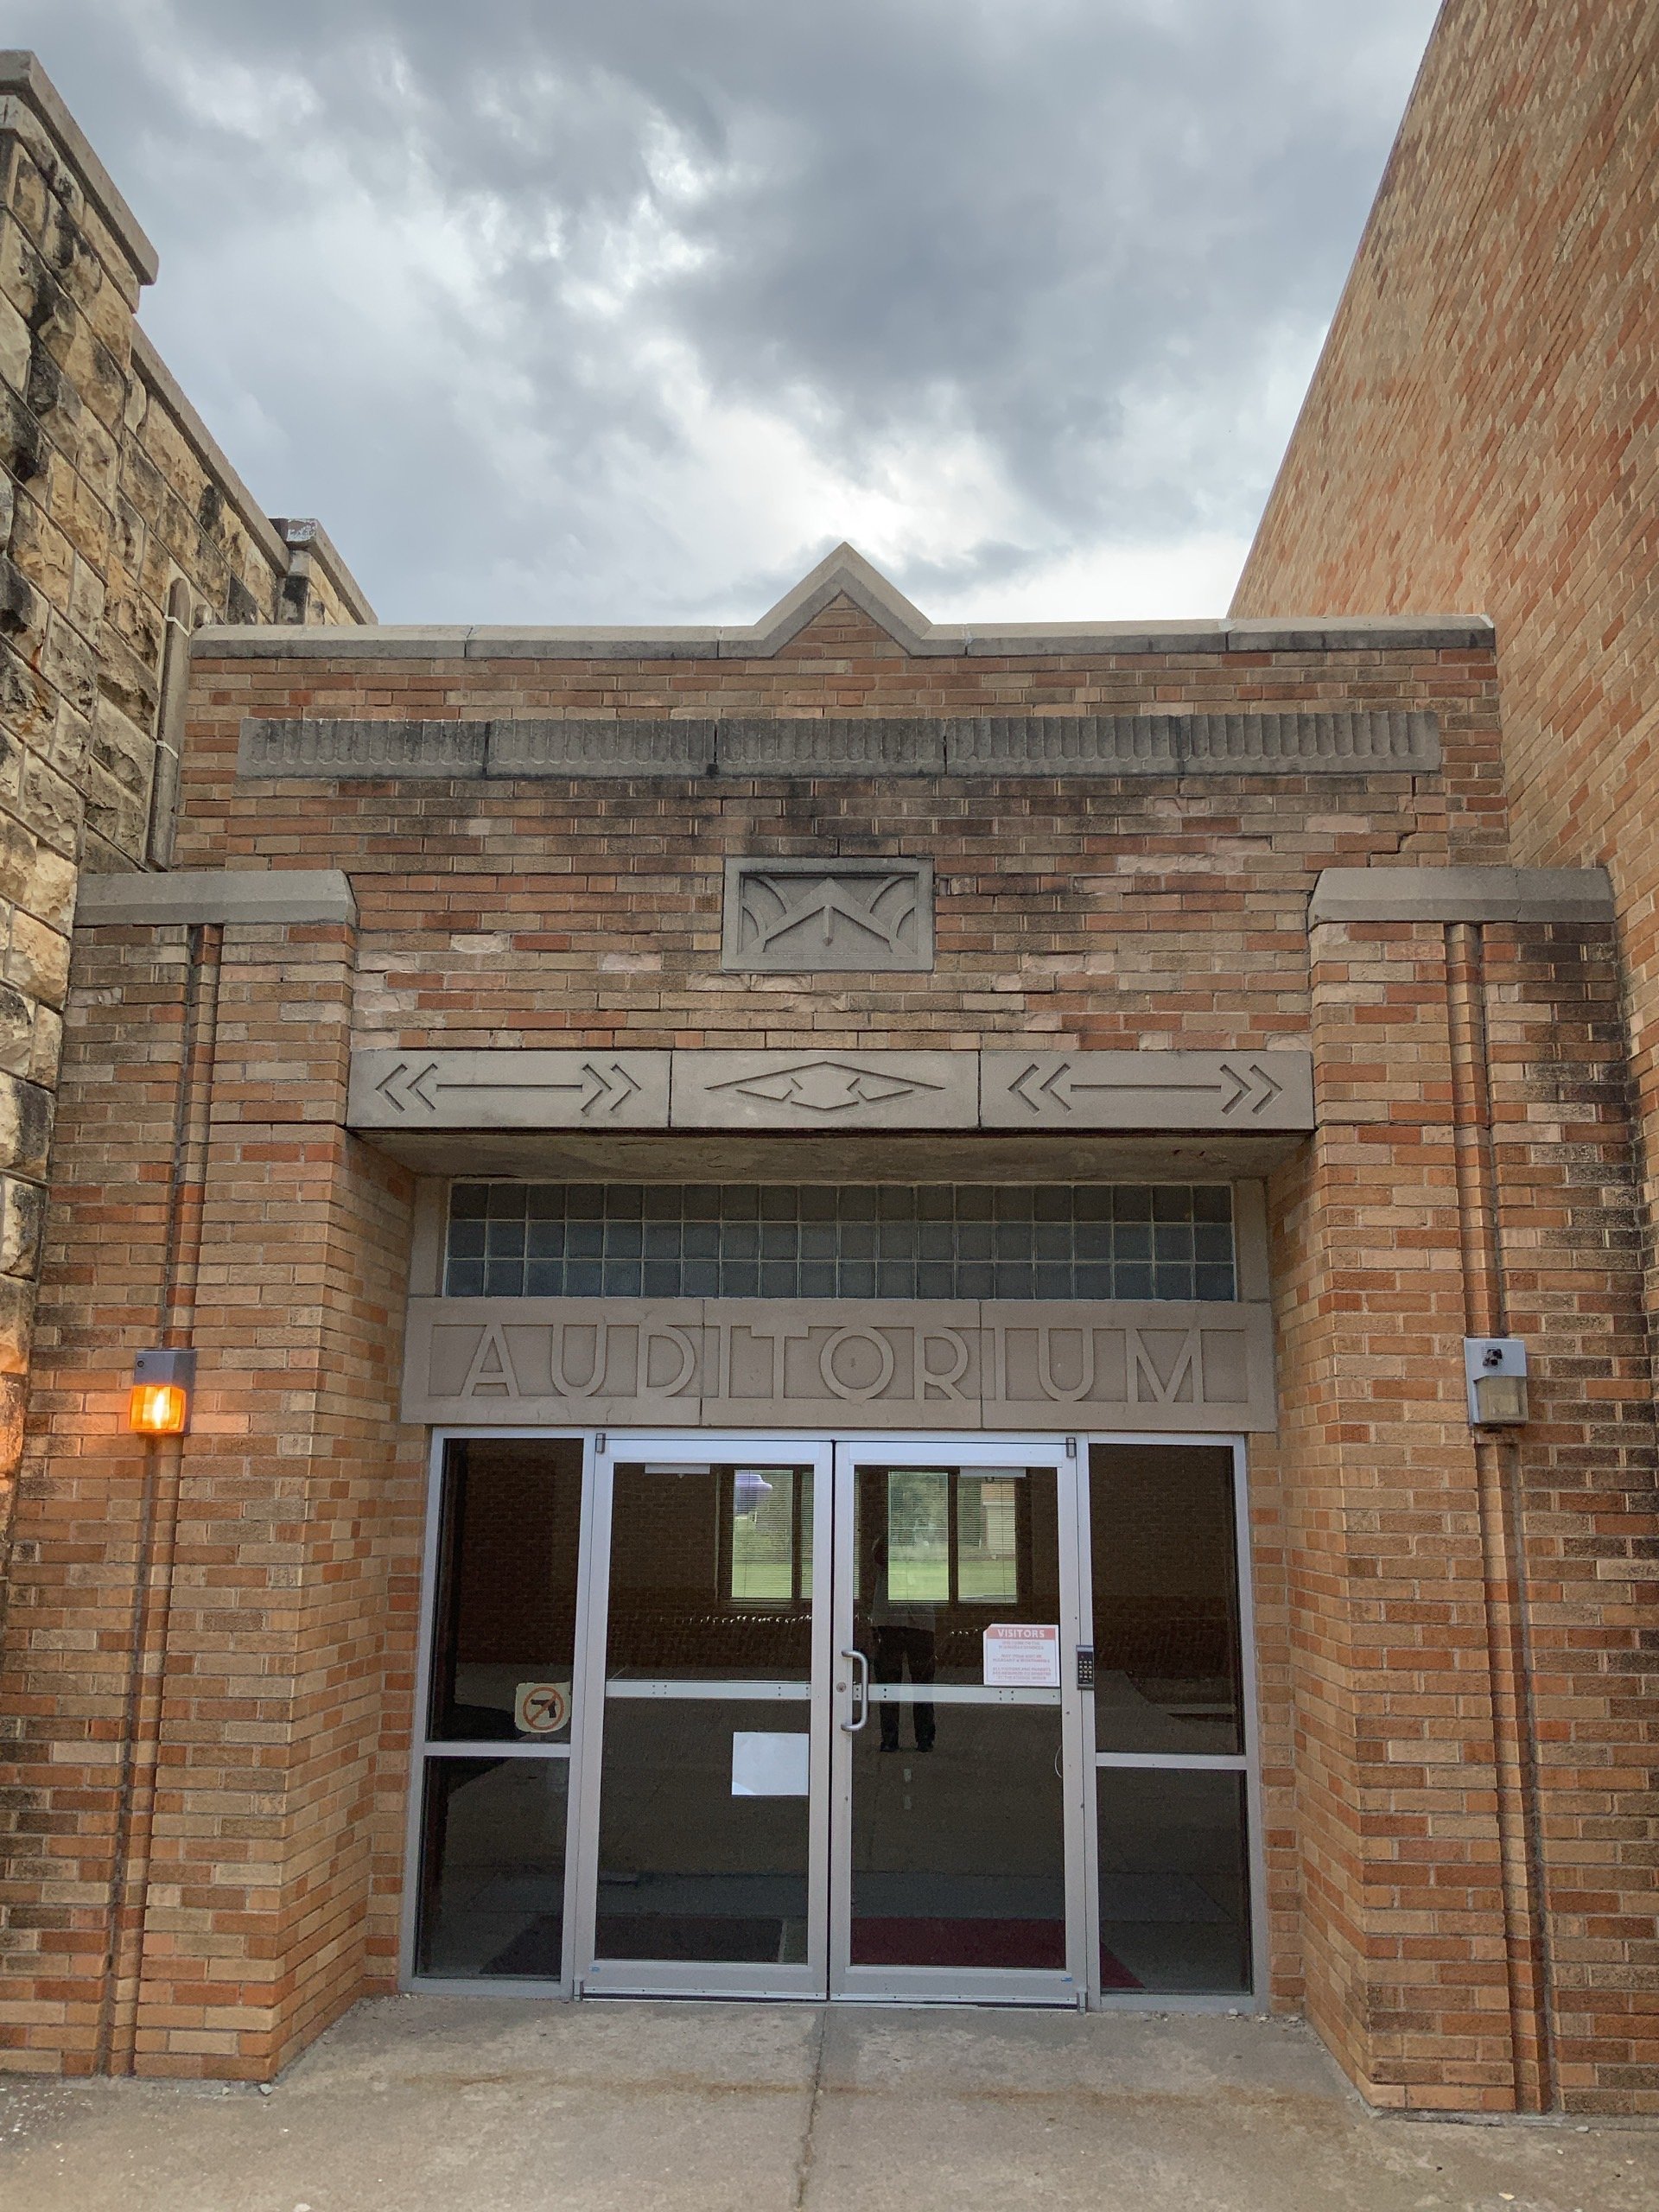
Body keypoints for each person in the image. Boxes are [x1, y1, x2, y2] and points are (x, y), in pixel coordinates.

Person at [868, 1533, 936, 1752]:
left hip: (921, 1619)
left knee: (923, 1681)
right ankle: (889, 1737)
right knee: (888, 1682)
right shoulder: (885, 1540)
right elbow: (878, 1557)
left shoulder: (926, 1543)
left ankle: (925, 1737)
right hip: (890, 1619)